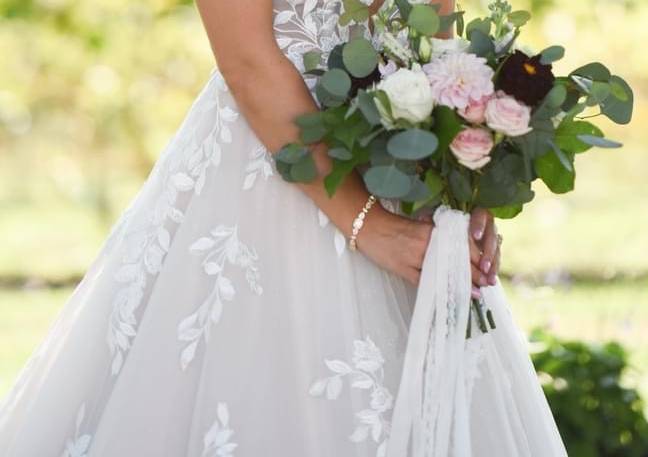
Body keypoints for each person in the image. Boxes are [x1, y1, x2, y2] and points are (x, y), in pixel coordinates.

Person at [0, 1, 566, 455]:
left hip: (405, 160)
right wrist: (365, 224)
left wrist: (463, 184)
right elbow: (246, 58)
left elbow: (437, 22)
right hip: (269, 180)